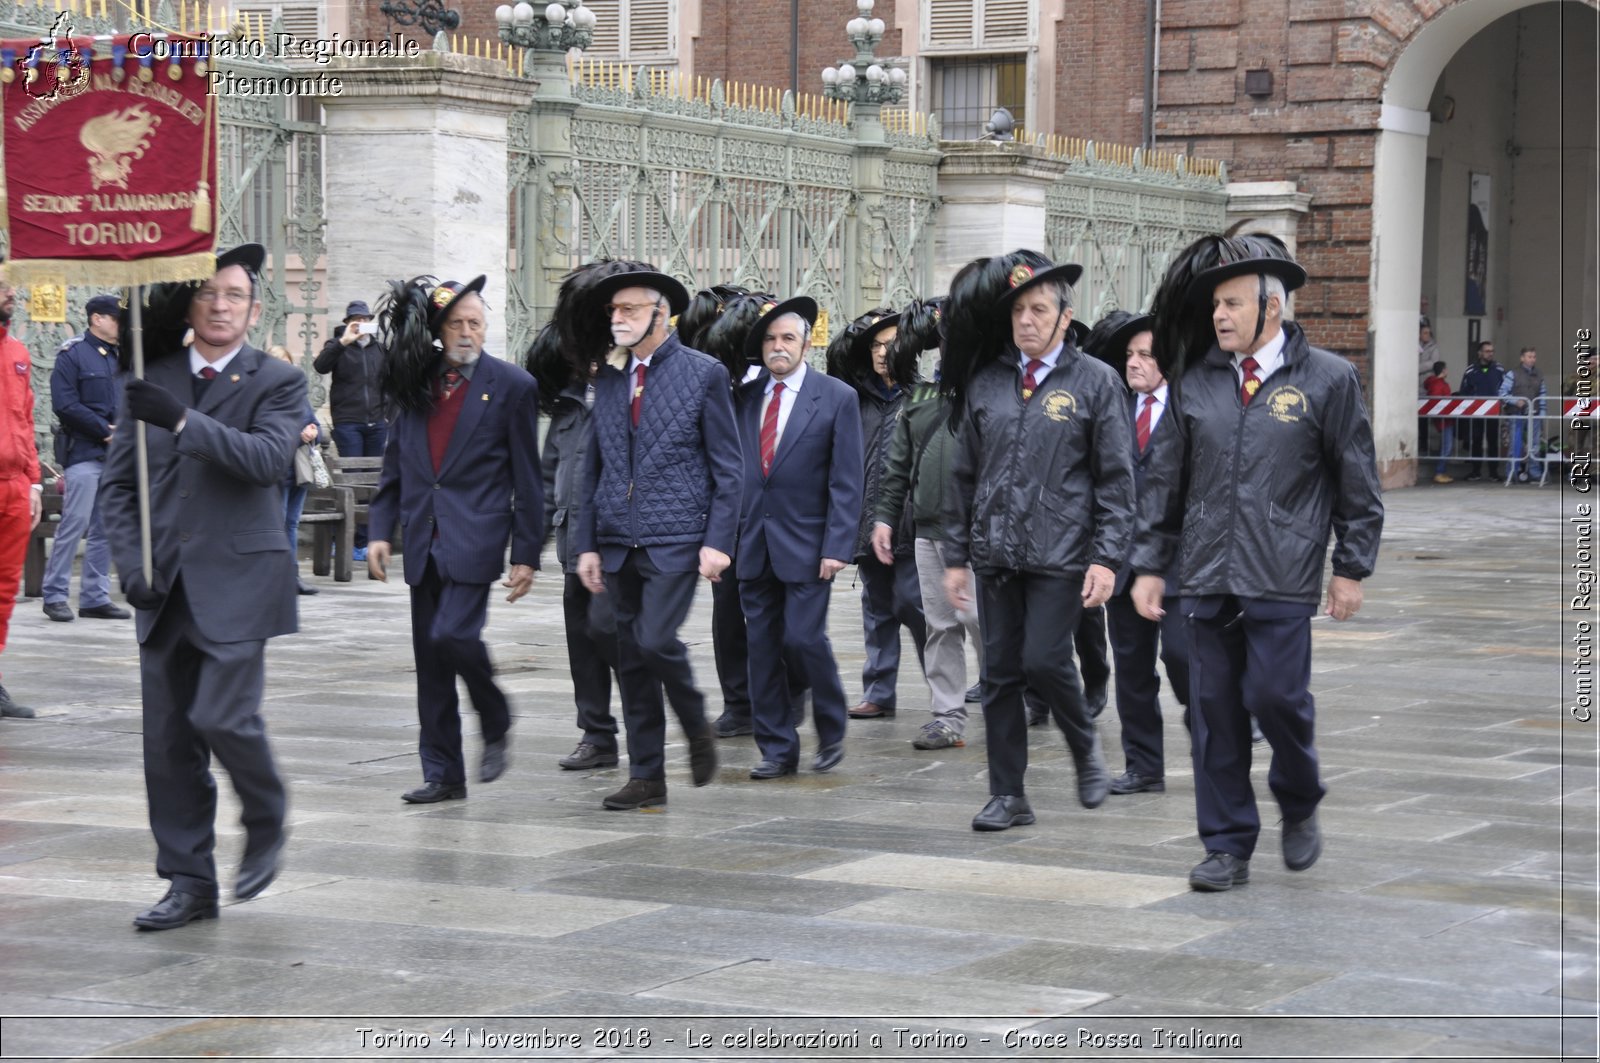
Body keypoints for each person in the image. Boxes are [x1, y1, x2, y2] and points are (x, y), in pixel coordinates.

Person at [1131, 233, 1384, 892]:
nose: (1220, 315)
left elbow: (1357, 479)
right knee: (1213, 716)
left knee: (1278, 699)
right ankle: (1226, 845)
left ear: (1273, 307)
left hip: (1282, 573)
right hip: (1205, 575)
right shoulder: (1194, 383)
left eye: (1234, 302)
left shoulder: (1328, 379)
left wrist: (1350, 565)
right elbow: (1163, 481)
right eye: (1216, 303)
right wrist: (1151, 564)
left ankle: (1299, 799)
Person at [100, 243, 304, 929]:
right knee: (168, 744)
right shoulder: (149, 375)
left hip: (241, 579)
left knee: (222, 716)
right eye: (209, 294)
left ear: (253, 308)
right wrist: (131, 562)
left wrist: (183, 420)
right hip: (164, 590)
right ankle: (189, 881)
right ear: (189, 303)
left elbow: (267, 461)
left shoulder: (276, 379)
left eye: (236, 296)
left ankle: (267, 813)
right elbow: (121, 485)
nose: (221, 306)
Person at [940, 250, 1135, 831]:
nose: (1027, 320)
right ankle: (1008, 795)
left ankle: (1083, 744)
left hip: (1062, 553)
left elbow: (1118, 481)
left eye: (1039, 309)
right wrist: (956, 556)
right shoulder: (988, 383)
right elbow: (963, 475)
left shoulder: (1096, 383)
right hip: (997, 554)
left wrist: (1107, 558)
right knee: (1000, 675)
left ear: (1064, 316)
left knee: (1044, 660)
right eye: (1019, 310)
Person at [570, 260, 742, 811]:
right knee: (623, 649)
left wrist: (718, 542)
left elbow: (729, 467)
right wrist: (588, 543)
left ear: (660, 315)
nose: (617, 318)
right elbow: (591, 465)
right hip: (618, 540)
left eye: (629, 309)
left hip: (677, 538)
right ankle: (647, 776)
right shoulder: (611, 378)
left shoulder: (703, 372)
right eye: (613, 310)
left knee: (653, 640)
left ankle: (694, 721)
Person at [366, 275, 541, 804]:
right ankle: (443, 774)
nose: (468, 332)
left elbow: (528, 477)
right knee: (432, 664)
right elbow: (395, 466)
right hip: (422, 539)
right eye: (458, 323)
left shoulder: (512, 386)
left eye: (476, 323)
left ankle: (495, 714)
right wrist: (379, 532)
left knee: (453, 637)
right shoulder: (415, 383)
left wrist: (526, 554)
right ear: (439, 331)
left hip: (476, 537)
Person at [734, 296, 863, 777]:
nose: (777, 347)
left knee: (803, 638)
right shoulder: (745, 398)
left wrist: (837, 546)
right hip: (752, 544)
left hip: (809, 545)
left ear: (807, 344)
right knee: (762, 647)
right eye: (769, 339)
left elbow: (846, 480)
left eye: (787, 338)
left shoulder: (835, 397)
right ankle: (776, 748)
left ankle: (831, 727)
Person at [1081, 310, 1190, 795]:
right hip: (1123, 561)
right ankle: (1144, 767)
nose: (1134, 363)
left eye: (1146, 355)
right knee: (1132, 669)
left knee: (1184, 659)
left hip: (1180, 564)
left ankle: (1214, 732)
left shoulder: (1192, 408)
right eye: (1129, 355)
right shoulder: (1115, 408)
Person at [871, 296, 979, 750]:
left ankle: (1014, 696)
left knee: (981, 623)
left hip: (976, 535)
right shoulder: (918, 400)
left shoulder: (985, 394)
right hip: (928, 531)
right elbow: (897, 466)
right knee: (940, 626)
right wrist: (884, 518)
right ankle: (947, 714)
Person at [528, 296, 620, 772]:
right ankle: (597, 734)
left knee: (609, 630)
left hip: (617, 543)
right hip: (571, 543)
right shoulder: (566, 405)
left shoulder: (623, 394)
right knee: (582, 641)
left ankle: (642, 717)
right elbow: (548, 478)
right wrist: (528, 549)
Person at [833, 309, 927, 721]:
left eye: (890, 344)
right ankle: (879, 690)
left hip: (912, 523)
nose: (882, 353)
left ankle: (943, 687)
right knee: (877, 607)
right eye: (875, 345)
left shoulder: (924, 397)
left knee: (913, 603)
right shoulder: (857, 400)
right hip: (866, 522)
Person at [43, 293, 131, 622]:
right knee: (74, 523)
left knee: (105, 527)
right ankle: (54, 594)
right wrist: (103, 430)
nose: (121, 325)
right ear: (97, 318)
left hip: (116, 455)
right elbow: (64, 403)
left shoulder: (123, 356)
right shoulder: (73, 354)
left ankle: (95, 597)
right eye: (116, 318)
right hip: (84, 451)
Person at [313, 298, 389, 561]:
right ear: (346, 323)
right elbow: (320, 366)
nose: (361, 324)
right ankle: (346, 540)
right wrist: (343, 341)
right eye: (355, 320)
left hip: (377, 424)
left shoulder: (379, 349)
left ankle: (364, 542)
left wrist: (386, 415)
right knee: (352, 481)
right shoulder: (337, 346)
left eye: (365, 319)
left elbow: (388, 383)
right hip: (349, 424)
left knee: (373, 484)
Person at [0, 265, 42, 720]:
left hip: (12, 486)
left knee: (4, 588)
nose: (11, 293)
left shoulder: (17, 352)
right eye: (2, 285)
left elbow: (25, 420)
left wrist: (32, 481)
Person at [266, 345, 325, 596]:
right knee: (276, 525)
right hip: (277, 470)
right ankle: (275, 578)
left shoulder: (298, 395)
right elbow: (267, 433)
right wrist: (298, 436)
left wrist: (313, 432)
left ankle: (292, 576)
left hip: (299, 471)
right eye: (277, 362)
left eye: (286, 362)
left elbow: (317, 427)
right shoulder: (264, 396)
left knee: (290, 524)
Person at [1458, 340, 1505, 481]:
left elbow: (1504, 389)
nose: (1490, 354)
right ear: (1480, 353)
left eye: (1492, 351)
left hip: (1493, 412)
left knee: (1493, 441)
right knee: (1476, 441)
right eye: (1487, 351)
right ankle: (1476, 471)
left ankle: (1493, 472)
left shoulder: (1499, 370)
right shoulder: (1471, 370)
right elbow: (1464, 391)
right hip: (1476, 412)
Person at [1499, 346, 1547, 483]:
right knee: (1516, 445)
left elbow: (1543, 394)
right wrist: (1515, 401)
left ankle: (1535, 473)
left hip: (1535, 414)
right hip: (1517, 414)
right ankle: (1512, 472)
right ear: (1522, 358)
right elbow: (1502, 393)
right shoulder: (1512, 374)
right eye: (1529, 357)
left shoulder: (1539, 374)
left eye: (1534, 357)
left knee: (1535, 446)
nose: (1532, 359)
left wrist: (1542, 412)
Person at [1423, 361, 1455, 484]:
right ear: (1443, 370)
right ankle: (1439, 472)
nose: (1447, 371)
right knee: (1447, 447)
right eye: (1446, 369)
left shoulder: (1436, 383)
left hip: (1445, 418)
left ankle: (1442, 471)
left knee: (1446, 446)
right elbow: (1436, 402)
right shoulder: (1438, 384)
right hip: (1444, 419)